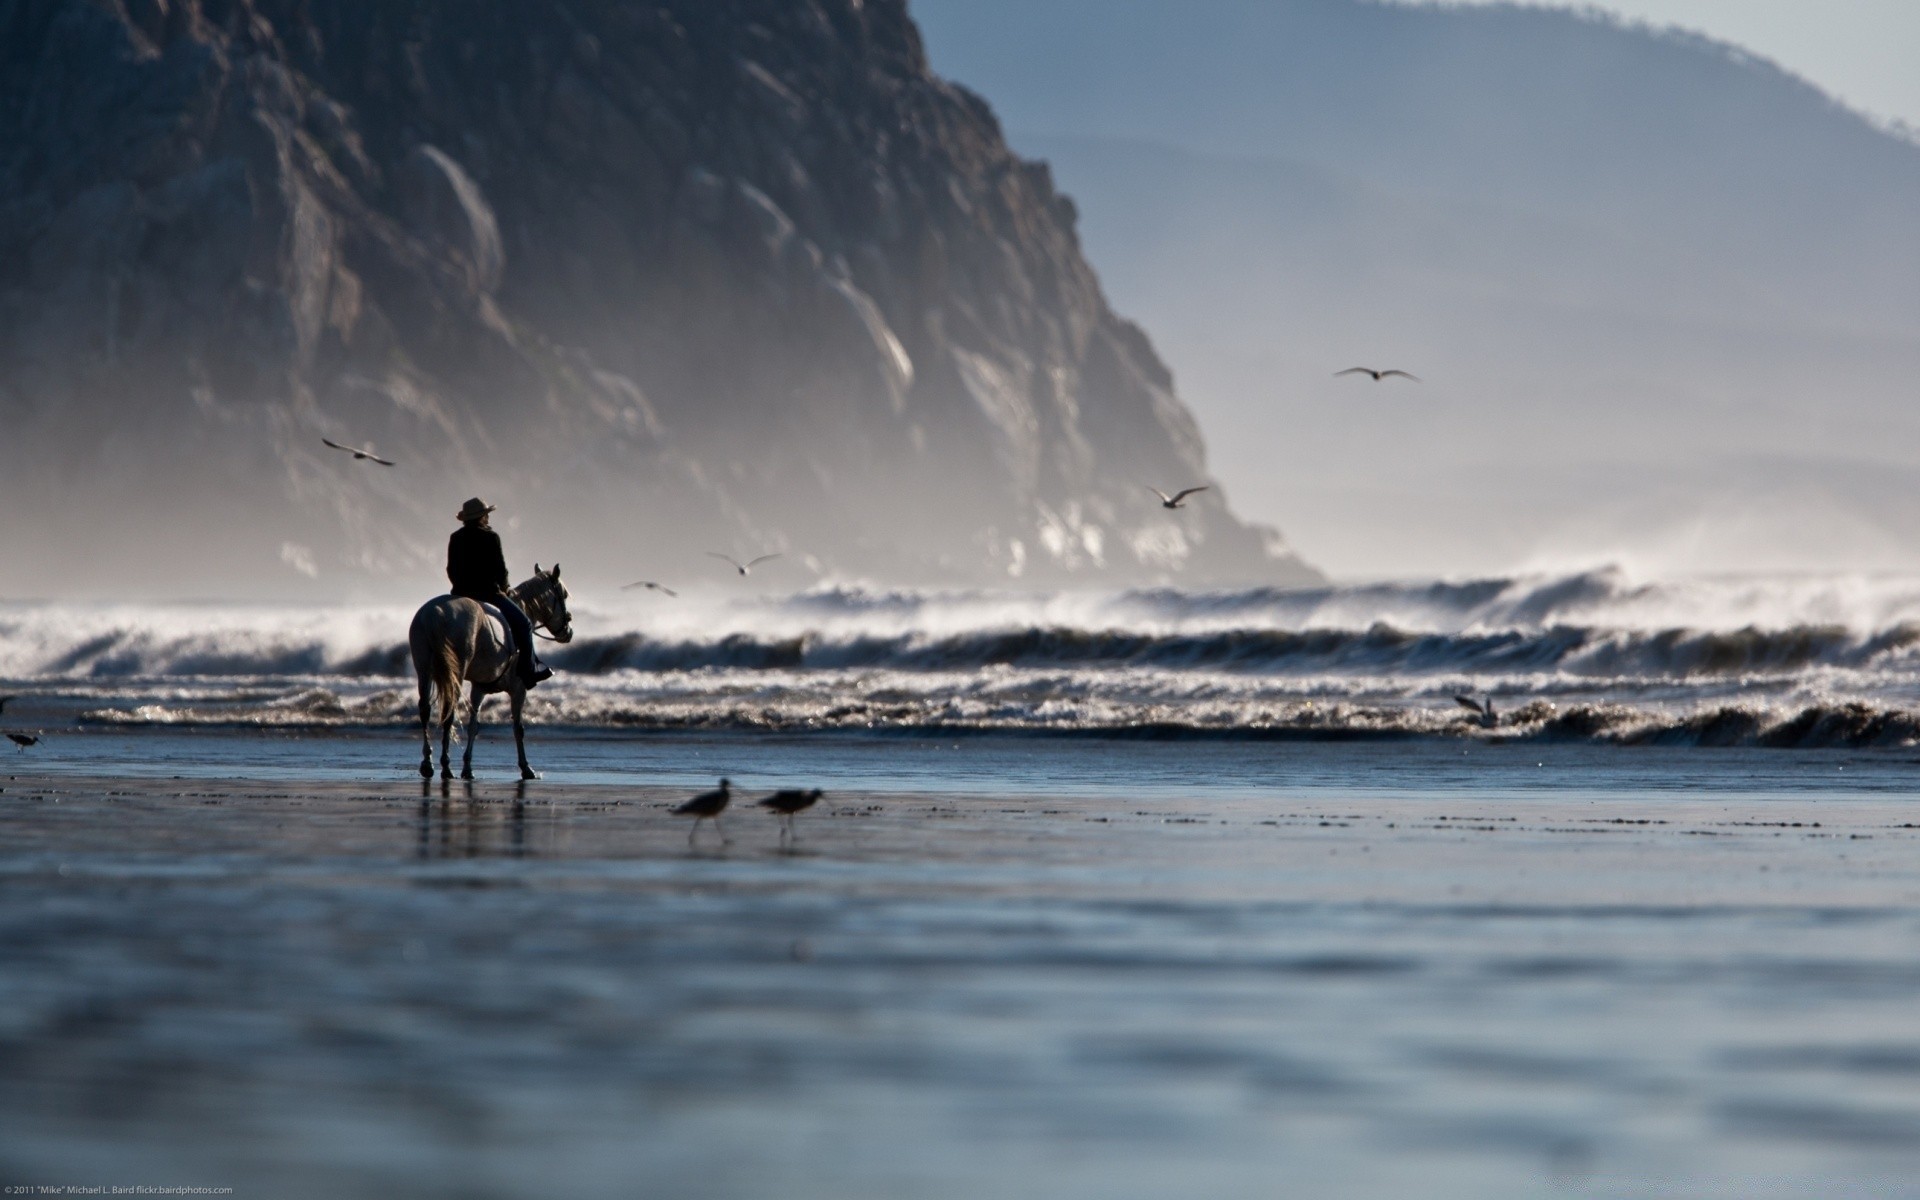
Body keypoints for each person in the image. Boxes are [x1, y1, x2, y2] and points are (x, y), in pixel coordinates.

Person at [447, 497, 551, 687]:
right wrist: (504, 589)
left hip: (460, 595)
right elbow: (500, 570)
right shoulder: (490, 537)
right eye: (486, 515)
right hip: (488, 593)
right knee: (525, 624)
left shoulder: (456, 537)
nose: (487, 518)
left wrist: (460, 588)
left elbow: (451, 570)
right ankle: (528, 671)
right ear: (481, 517)